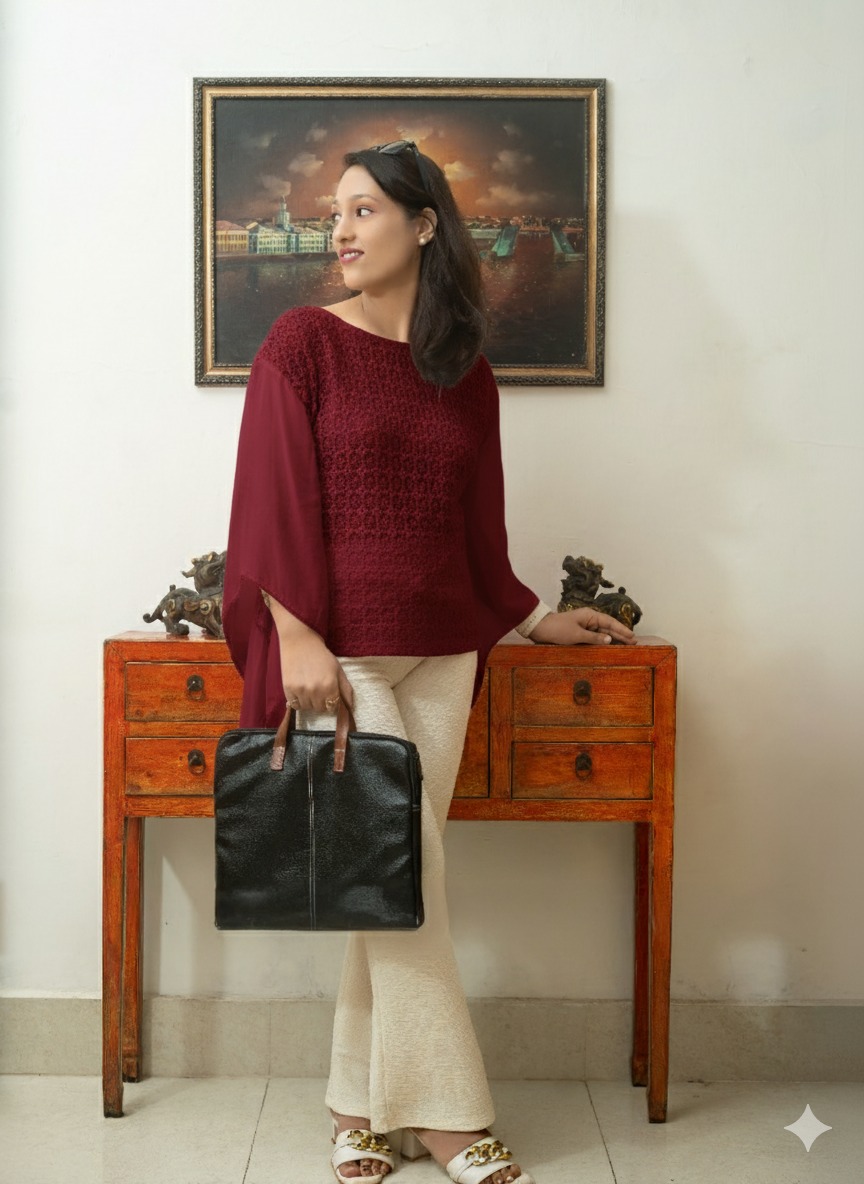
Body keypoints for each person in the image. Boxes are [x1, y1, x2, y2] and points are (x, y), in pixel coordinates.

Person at [223, 140, 635, 1184]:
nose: (340, 230)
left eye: (363, 210)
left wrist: (534, 620)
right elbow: (269, 496)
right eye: (335, 212)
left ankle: (356, 1109)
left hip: (446, 652)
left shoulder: (464, 369)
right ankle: (452, 1119)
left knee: (388, 888)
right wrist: (296, 633)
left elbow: (477, 526)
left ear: (424, 224)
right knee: (407, 879)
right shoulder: (301, 342)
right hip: (344, 655)